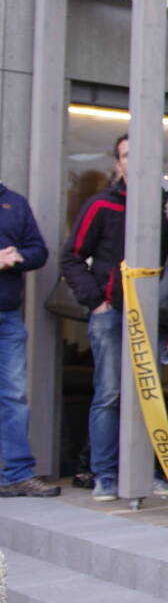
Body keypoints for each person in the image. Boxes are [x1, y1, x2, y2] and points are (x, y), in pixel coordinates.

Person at [59, 134, 131, 501]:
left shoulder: (165, 208)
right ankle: (105, 475)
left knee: (145, 395)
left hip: (149, 318)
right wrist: (96, 301)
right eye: (125, 156)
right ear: (117, 164)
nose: (133, 161)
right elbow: (71, 257)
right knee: (110, 394)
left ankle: (142, 471)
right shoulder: (101, 204)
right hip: (110, 314)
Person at [0, 180, 57, 498]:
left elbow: (39, 251)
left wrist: (17, 256)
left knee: (14, 397)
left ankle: (17, 474)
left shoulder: (14, 203)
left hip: (7, 316)